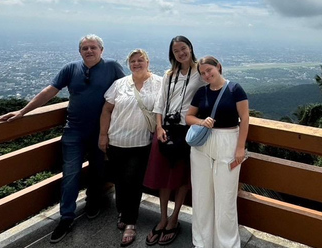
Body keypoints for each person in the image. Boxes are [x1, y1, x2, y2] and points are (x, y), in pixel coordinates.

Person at [0, 34, 125, 244]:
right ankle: (66, 217)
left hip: (102, 131)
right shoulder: (70, 68)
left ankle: (93, 202)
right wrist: (23, 112)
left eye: (93, 47)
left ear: (102, 50)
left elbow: (126, 92)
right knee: (70, 173)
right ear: (79, 52)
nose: (89, 51)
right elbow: (50, 91)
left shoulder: (113, 67)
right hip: (74, 130)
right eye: (84, 48)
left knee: (98, 170)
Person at [99, 49, 163, 246]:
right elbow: (107, 109)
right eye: (133, 61)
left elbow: (164, 109)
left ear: (148, 62)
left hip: (141, 142)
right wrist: (103, 135)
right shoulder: (120, 84)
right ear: (129, 64)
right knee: (119, 180)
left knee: (133, 181)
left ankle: (130, 222)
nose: (136, 64)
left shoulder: (159, 83)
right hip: (116, 140)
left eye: (140, 60)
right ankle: (122, 213)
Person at [143, 35, 202, 246]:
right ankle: (163, 218)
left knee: (181, 177)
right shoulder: (169, 74)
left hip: (187, 130)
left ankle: (174, 218)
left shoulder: (200, 71)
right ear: (172, 54)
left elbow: (216, 87)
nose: (181, 53)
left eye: (183, 48)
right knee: (163, 176)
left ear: (190, 48)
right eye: (176, 50)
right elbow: (160, 103)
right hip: (166, 129)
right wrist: (158, 127)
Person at [186, 56, 249, 248]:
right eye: (202, 73)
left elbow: (245, 118)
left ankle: (227, 243)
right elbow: (188, 117)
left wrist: (240, 148)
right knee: (201, 195)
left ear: (218, 67)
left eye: (209, 70)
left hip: (228, 142)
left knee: (226, 196)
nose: (206, 75)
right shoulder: (201, 92)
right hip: (202, 146)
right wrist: (201, 121)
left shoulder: (234, 89)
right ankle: (202, 241)